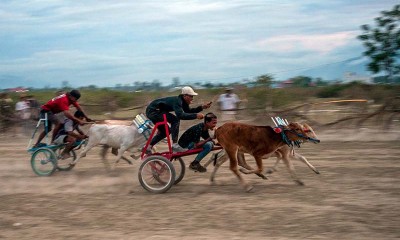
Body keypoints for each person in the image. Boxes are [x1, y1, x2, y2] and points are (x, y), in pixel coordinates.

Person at [145, 86, 212, 152]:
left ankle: (149, 146)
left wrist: (202, 107)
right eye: (191, 96)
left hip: (155, 112)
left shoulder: (182, 101)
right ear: (185, 96)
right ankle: (174, 145)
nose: (192, 98)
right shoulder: (177, 101)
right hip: (153, 111)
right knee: (175, 119)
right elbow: (180, 115)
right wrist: (196, 115)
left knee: (166, 132)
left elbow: (188, 111)